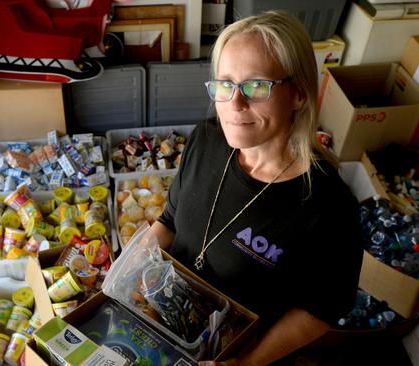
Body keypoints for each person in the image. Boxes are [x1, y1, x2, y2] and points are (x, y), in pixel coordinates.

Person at [148, 11, 363, 366]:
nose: (235, 103)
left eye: (257, 85)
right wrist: (124, 271)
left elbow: (319, 311)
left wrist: (247, 363)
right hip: (166, 325)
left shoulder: (329, 207)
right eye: (225, 84)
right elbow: (170, 220)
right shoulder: (205, 139)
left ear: (298, 94)